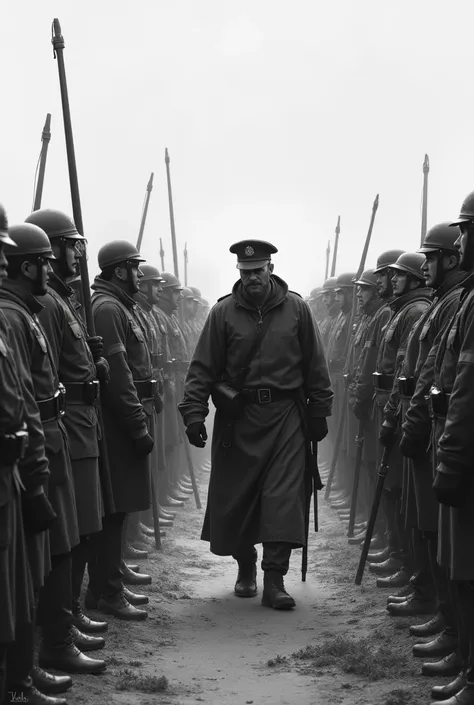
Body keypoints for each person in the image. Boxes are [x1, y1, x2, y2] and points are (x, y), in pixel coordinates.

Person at [179, 239, 333, 610]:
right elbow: (203, 367)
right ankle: (245, 565)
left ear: (271, 270)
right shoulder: (223, 313)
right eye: (245, 273)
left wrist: (319, 410)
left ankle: (275, 579)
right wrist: (194, 412)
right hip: (238, 419)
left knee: (282, 498)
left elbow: (316, 364)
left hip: (285, 418)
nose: (251, 279)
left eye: (257, 272)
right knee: (237, 498)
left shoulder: (297, 308)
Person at [25, 208, 110, 645]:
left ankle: (70, 612)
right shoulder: (47, 304)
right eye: (69, 244)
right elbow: (47, 371)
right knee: (68, 531)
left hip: (78, 421)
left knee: (80, 526)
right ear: (51, 249)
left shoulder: (65, 299)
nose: (77, 252)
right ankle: (63, 619)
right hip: (64, 424)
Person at [424, 191, 474, 704]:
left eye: (466, 231)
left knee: (467, 564)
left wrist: (453, 453)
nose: (461, 244)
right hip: (451, 433)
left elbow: (465, 384)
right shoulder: (464, 301)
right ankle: (464, 656)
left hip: (463, 440)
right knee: (458, 560)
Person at [88, 240, 155, 621]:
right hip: (117, 422)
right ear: (119, 271)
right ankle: (107, 591)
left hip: (125, 417)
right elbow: (119, 376)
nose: (140, 274)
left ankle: (107, 584)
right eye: (134, 267)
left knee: (119, 507)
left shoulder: (119, 306)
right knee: (112, 511)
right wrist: (135, 423)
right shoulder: (108, 308)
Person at [371, 252, 431, 593]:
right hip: (395, 407)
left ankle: (412, 569)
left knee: (406, 496)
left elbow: (409, 372)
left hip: (409, 411)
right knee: (397, 491)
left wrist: (394, 412)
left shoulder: (416, 311)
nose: (391, 281)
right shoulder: (402, 310)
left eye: (397, 275)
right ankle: (401, 557)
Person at [352, 249, 405, 558]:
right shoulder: (383, 313)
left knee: (387, 477)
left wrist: (363, 395)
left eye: (369, 284)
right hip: (375, 401)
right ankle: (381, 532)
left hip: (386, 404)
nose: (361, 293)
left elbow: (385, 364)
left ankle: (390, 540)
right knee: (375, 471)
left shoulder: (387, 313)